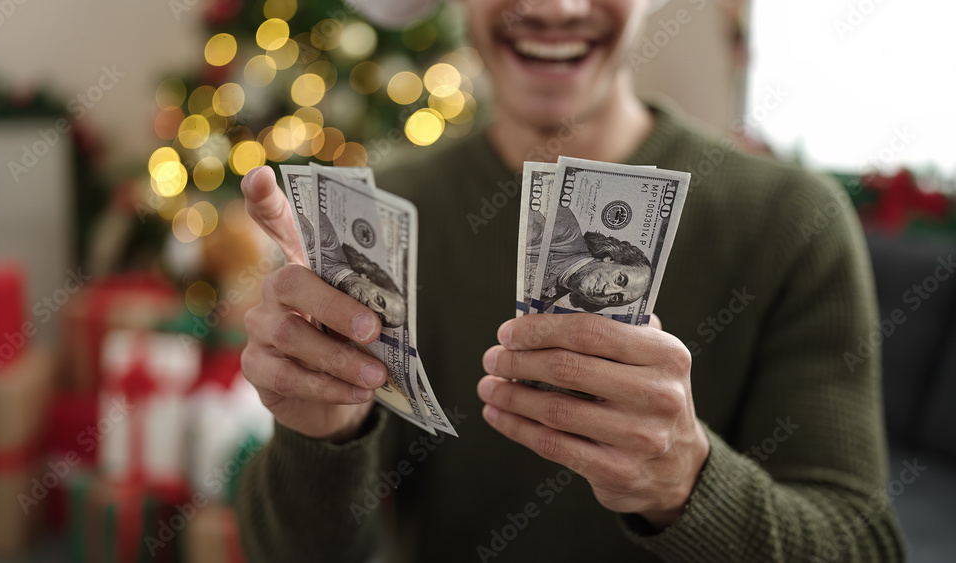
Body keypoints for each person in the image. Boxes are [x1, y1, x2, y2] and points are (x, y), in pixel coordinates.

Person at [236, 1, 906, 561]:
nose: (555, 7)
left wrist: (686, 481)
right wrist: (322, 439)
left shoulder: (792, 221)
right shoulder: (391, 212)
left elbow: (863, 545)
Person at [299, 208, 408, 328]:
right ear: (368, 278)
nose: (375, 311)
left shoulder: (334, 324)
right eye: (379, 300)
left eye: (381, 318)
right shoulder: (326, 242)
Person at [532, 205, 652, 312]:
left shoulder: (541, 306)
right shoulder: (564, 231)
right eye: (619, 279)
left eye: (615, 298)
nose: (606, 292)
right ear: (610, 259)